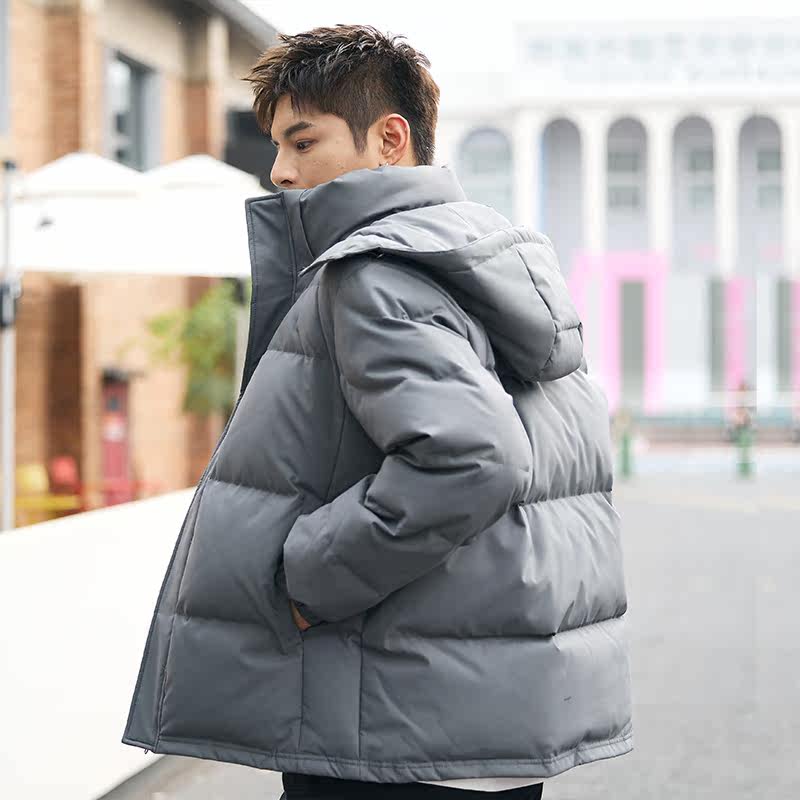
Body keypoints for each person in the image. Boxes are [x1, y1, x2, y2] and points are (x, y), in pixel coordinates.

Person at [121, 24, 633, 800]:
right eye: (278, 145)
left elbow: (472, 457)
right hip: (475, 722)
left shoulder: (375, 274)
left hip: (388, 725)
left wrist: (309, 580)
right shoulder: (478, 259)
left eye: (303, 142)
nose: (279, 170)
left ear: (390, 139)